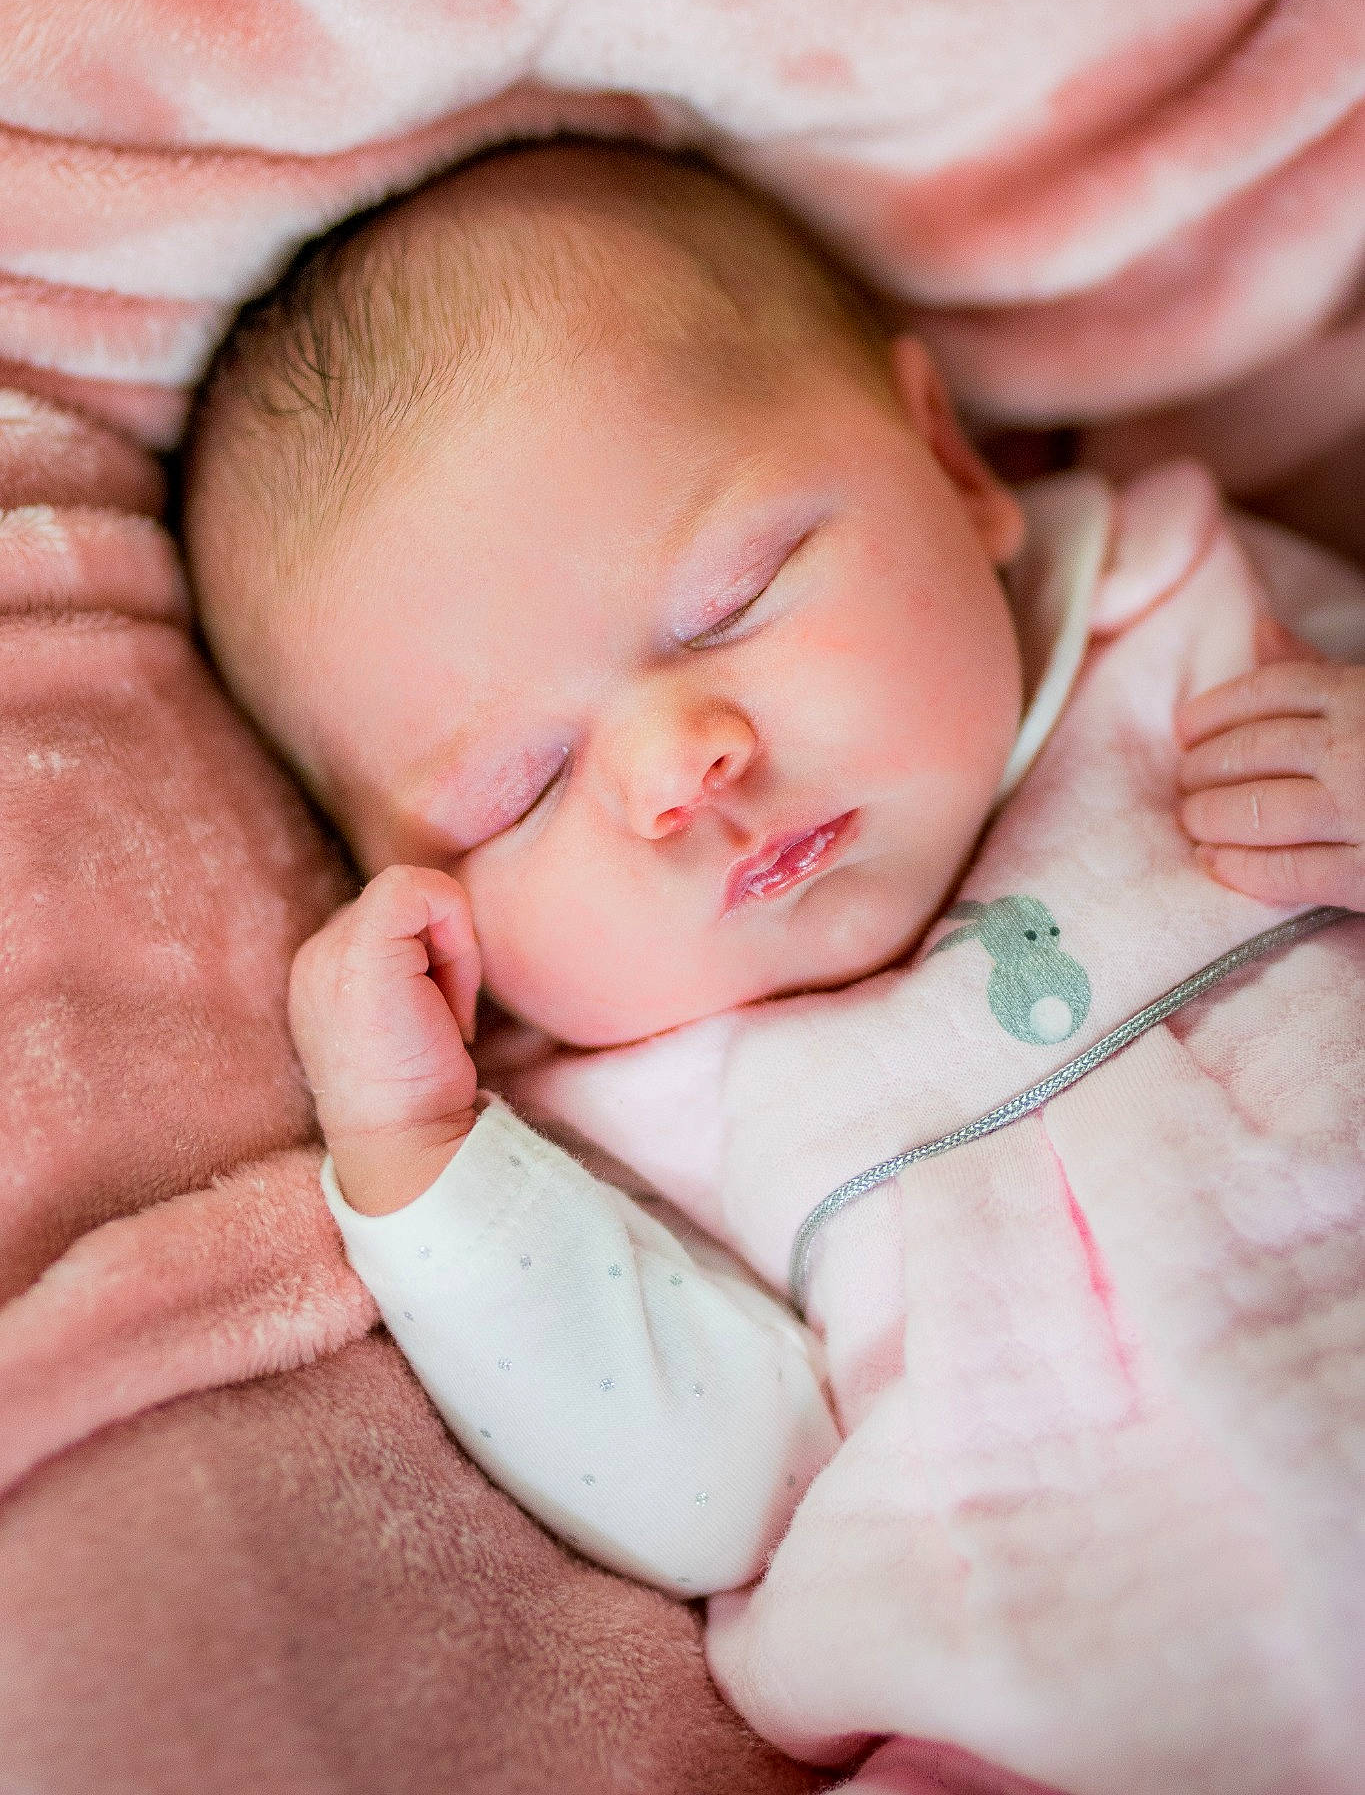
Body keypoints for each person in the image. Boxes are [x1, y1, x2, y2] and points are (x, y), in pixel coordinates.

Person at [180, 138, 1365, 1792]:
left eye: (730, 600)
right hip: (1045, 1718)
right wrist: (422, 1177)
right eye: (514, 790)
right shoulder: (612, 1125)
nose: (678, 766)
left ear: (946, 461)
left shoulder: (1206, 640)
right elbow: (711, 1496)